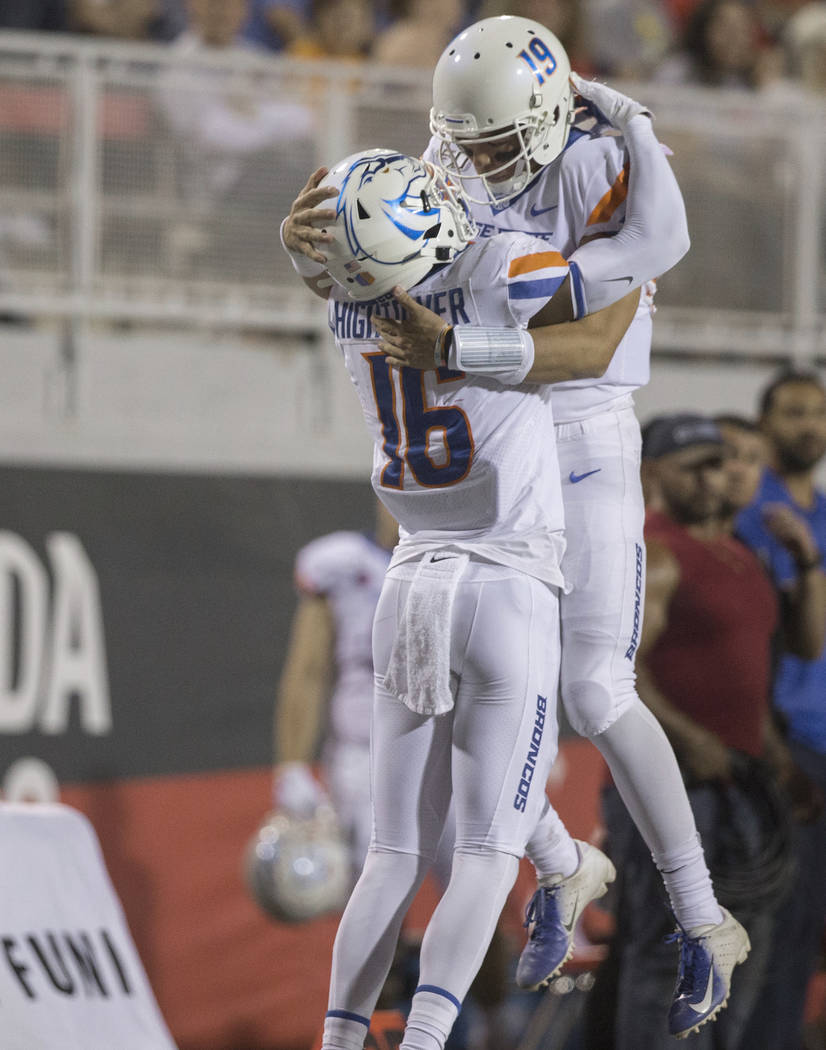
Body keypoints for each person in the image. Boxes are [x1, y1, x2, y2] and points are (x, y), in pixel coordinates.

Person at [316, 16, 740, 1032]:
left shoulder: (596, 158)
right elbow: (383, 223)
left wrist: (449, 344)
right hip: (493, 431)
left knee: (590, 687)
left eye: (494, 141)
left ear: (552, 118)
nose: (470, 161)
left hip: (577, 427)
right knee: (477, 685)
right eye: (457, 140)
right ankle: (558, 860)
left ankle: (697, 909)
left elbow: (594, 344)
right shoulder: (461, 162)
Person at [282, 146, 638, 1050]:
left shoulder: (353, 307)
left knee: (392, 855)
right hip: (505, 581)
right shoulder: (501, 267)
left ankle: (339, 1038)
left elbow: (337, 263)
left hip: (411, 579)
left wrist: (304, 244)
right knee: (484, 850)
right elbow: (602, 310)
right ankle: (430, 1039)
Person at [595, 411, 796, 1049]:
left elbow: (749, 676)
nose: (714, 478)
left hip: (742, 787)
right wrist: (691, 739)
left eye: (720, 463)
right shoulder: (654, 553)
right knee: (667, 956)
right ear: (653, 474)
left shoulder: (739, 557)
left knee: (742, 954)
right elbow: (617, 673)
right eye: (695, 467)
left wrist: (773, 751)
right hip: (673, 789)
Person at [734, 370, 826, 1050]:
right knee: (771, 925)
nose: (810, 427)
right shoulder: (748, 509)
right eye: (794, 413)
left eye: (819, 415)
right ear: (765, 422)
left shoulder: (821, 511)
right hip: (779, 741)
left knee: (805, 928)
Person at [272, 498, 399, 879]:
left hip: (445, 751)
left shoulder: (460, 560)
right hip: (362, 756)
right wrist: (292, 763)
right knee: (371, 892)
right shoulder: (343, 564)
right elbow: (308, 669)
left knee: (484, 892)